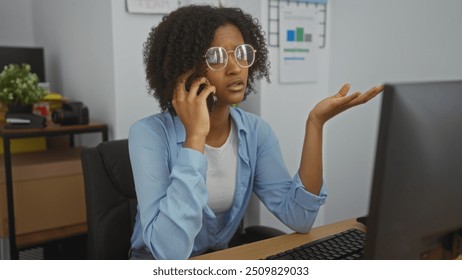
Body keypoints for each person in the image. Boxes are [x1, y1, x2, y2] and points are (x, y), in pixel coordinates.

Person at [128, 5, 383, 260]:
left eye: (241, 54)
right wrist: (195, 137)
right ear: (186, 68)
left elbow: (300, 217)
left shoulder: (255, 132)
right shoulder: (148, 134)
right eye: (216, 57)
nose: (235, 68)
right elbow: (167, 253)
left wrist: (315, 124)